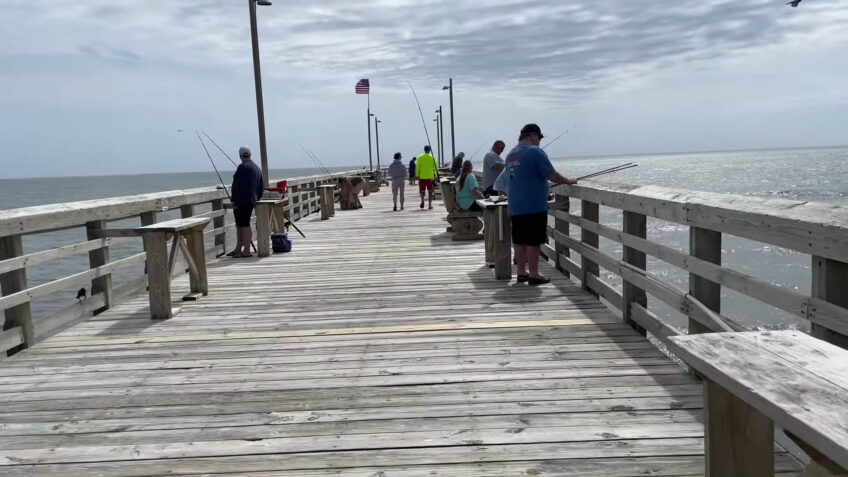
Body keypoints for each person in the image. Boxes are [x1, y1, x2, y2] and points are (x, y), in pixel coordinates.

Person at [504, 124, 577, 285]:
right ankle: (534, 274)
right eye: (539, 138)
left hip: (515, 205)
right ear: (532, 136)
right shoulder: (535, 152)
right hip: (533, 204)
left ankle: (521, 272)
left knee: (519, 239)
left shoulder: (511, 154)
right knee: (533, 240)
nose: (540, 141)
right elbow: (552, 175)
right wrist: (568, 181)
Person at [229, 146, 264, 258]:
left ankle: (247, 250)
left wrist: (233, 199)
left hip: (241, 201)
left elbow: (237, 186)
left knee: (243, 225)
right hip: (251, 200)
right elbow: (261, 186)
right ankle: (238, 249)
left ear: (240, 156)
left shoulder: (242, 167)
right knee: (240, 225)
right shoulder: (257, 168)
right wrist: (256, 198)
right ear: (249, 154)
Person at [416, 145, 438, 209]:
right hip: (430, 177)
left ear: (424, 149)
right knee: (430, 191)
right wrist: (436, 175)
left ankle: (422, 201)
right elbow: (435, 167)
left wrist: (417, 175)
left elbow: (418, 167)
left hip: (422, 176)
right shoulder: (432, 157)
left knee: (422, 190)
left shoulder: (420, 157)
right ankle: (429, 205)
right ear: (429, 150)